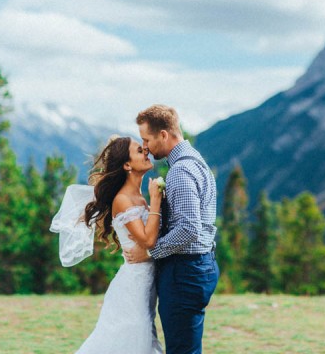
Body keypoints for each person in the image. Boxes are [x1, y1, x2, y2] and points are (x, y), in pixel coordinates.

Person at [54, 136, 164, 354]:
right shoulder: (123, 200)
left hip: (145, 283)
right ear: (127, 164)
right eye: (139, 150)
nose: (146, 152)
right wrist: (157, 201)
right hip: (133, 288)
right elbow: (148, 240)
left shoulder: (139, 197)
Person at [124, 104, 219, 354]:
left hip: (184, 271)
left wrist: (150, 253)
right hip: (196, 267)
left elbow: (189, 229)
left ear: (164, 135)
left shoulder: (181, 171)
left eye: (147, 139)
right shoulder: (195, 161)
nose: (145, 146)